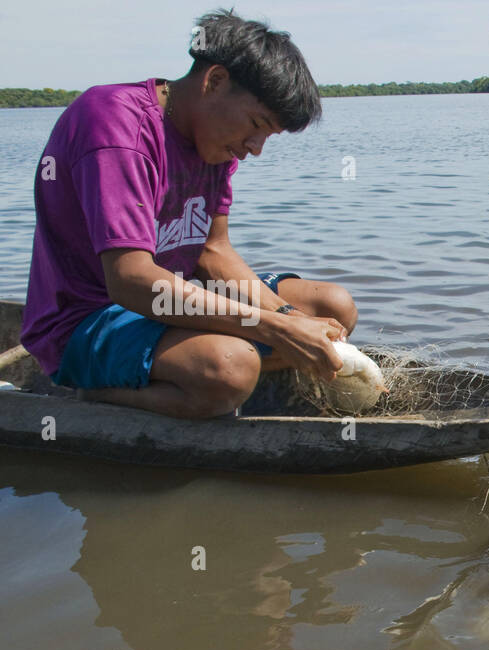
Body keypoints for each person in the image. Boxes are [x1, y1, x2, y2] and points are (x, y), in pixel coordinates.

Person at [21, 10, 357, 419]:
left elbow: (213, 253)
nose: (255, 148)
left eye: (267, 137)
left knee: (333, 309)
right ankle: (102, 395)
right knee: (232, 368)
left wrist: (286, 316)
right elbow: (130, 282)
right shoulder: (114, 124)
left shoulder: (213, 141)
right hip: (88, 319)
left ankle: (200, 380)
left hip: (173, 297)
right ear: (214, 81)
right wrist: (271, 328)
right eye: (256, 125)